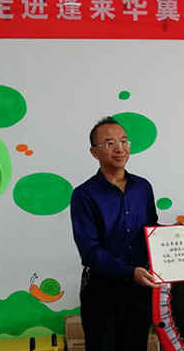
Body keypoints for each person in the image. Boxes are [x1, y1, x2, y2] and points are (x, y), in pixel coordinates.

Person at [70, 116, 160, 351]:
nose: (120, 148)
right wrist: (129, 271)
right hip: (102, 289)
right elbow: (89, 251)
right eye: (110, 143)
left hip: (139, 288)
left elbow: (151, 231)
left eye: (123, 141)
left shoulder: (143, 187)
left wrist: (180, 235)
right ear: (94, 152)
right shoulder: (84, 194)